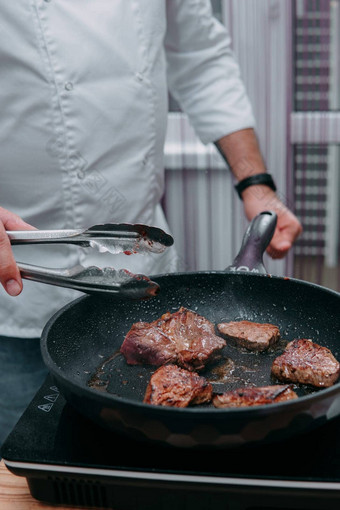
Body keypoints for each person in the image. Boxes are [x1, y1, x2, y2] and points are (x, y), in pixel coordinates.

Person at [0, 1, 302, 448]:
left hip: (139, 255)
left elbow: (201, 57)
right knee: (31, 459)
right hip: (15, 280)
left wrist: (255, 183)